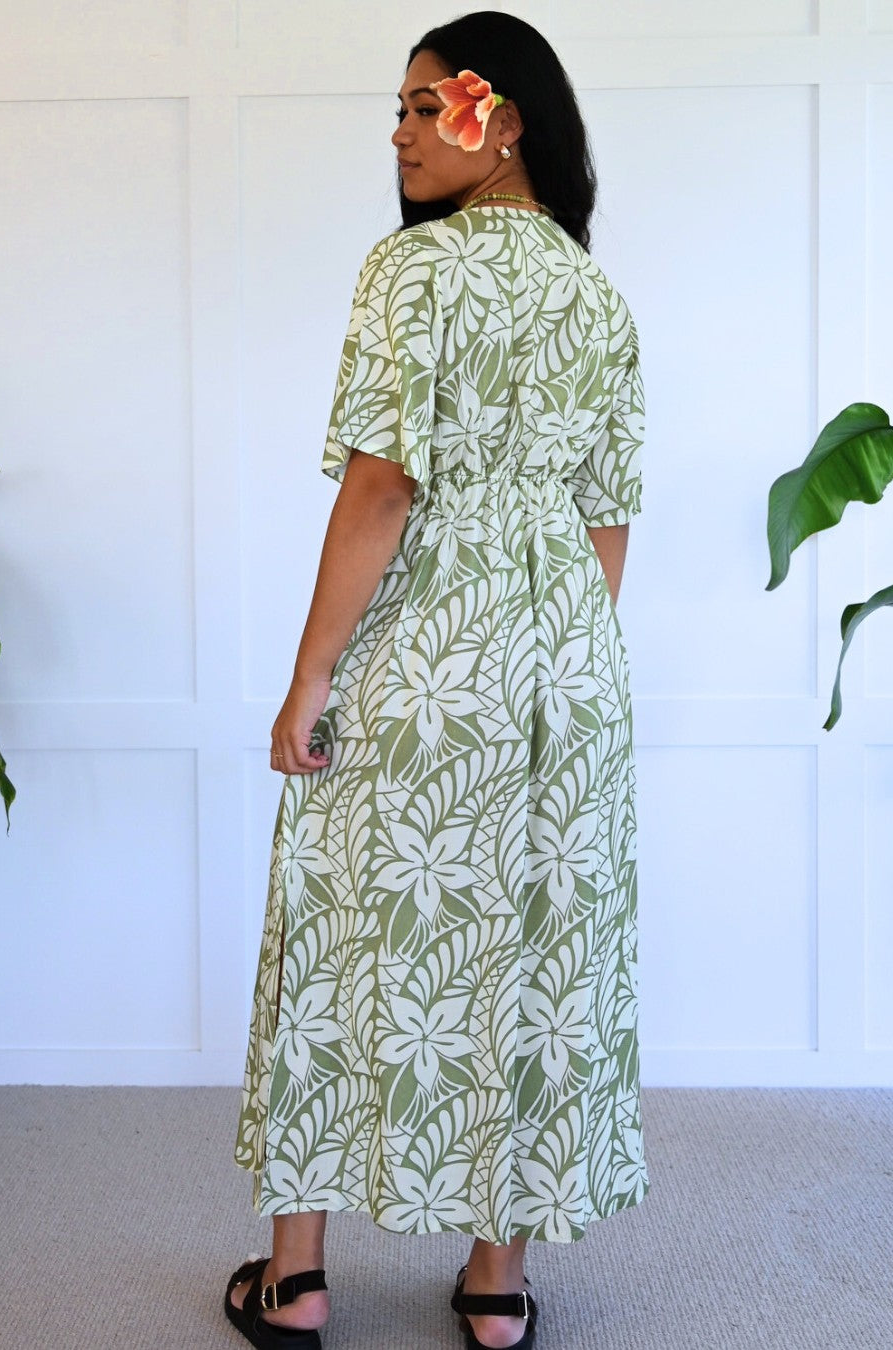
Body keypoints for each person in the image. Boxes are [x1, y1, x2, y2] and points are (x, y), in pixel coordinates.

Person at [224, 11, 648, 1350]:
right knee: (531, 945)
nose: (401, 132)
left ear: (503, 117)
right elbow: (609, 516)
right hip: (569, 672)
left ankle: (295, 1281)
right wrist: (557, 667)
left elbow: (382, 483)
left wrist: (309, 680)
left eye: (426, 104)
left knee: (341, 932)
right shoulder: (597, 295)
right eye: (398, 111)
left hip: (424, 659)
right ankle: (496, 1285)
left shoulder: (414, 273)